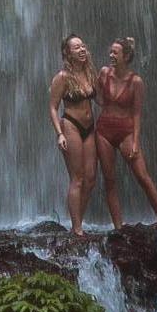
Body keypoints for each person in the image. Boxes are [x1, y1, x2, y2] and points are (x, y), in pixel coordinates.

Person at [95, 36, 157, 230]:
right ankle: (118, 227)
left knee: (142, 176)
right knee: (109, 179)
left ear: (126, 56)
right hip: (103, 130)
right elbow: (97, 98)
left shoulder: (136, 81)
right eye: (110, 52)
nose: (111, 55)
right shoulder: (103, 73)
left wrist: (136, 142)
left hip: (126, 130)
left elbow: (137, 113)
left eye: (115, 52)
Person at [50, 34, 99, 236]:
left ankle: (77, 219)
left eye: (83, 45)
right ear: (67, 53)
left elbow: (101, 99)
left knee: (91, 179)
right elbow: (53, 107)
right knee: (77, 178)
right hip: (70, 125)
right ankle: (77, 229)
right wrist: (59, 134)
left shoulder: (89, 73)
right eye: (76, 47)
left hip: (90, 128)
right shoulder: (62, 77)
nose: (81, 49)